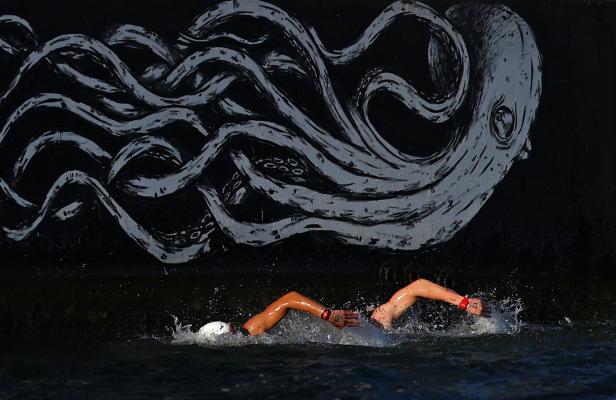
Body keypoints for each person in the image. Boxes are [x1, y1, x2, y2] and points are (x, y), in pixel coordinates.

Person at [198, 278, 490, 339]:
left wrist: (464, 302)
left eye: (237, 330)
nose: (241, 333)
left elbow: (417, 286)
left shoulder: (377, 321)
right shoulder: (250, 333)